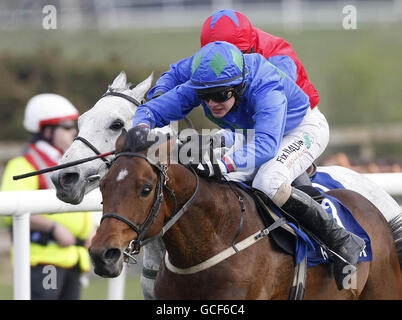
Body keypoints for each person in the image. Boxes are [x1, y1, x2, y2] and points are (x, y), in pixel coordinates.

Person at [128, 41, 365, 290]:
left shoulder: (267, 86)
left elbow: (266, 146)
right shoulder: (204, 84)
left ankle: (341, 241)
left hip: (299, 130)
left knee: (268, 180)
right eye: (205, 97)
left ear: (241, 85)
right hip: (254, 131)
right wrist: (143, 135)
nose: (212, 103)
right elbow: (148, 111)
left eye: (221, 95)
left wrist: (222, 165)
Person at [1, 93, 94, 299]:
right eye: (67, 126)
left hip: (74, 259)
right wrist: (53, 228)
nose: (74, 132)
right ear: (47, 130)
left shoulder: (67, 162)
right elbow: (9, 210)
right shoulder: (24, 164)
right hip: (44, 261)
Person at [148, 9, 319, 111]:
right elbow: (177, 73)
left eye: (237, 54)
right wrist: (160, 94)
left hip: (294, 114)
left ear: (250, 46)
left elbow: (278, 96)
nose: (228, 61)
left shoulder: (278, 55)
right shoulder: (215, 55)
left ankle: (305, 170)